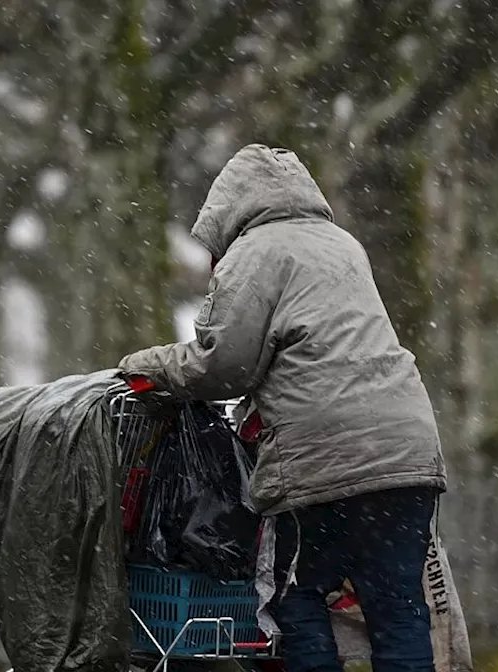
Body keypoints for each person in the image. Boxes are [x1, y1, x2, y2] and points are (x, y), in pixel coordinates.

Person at [119, 144, 448, 672]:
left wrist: (146, 365)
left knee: (294, 599)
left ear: (226, 212)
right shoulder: (344, 245)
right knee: (398, 609)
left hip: (324, 457)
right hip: (407, 451)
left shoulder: (255, 252)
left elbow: (222, 366)